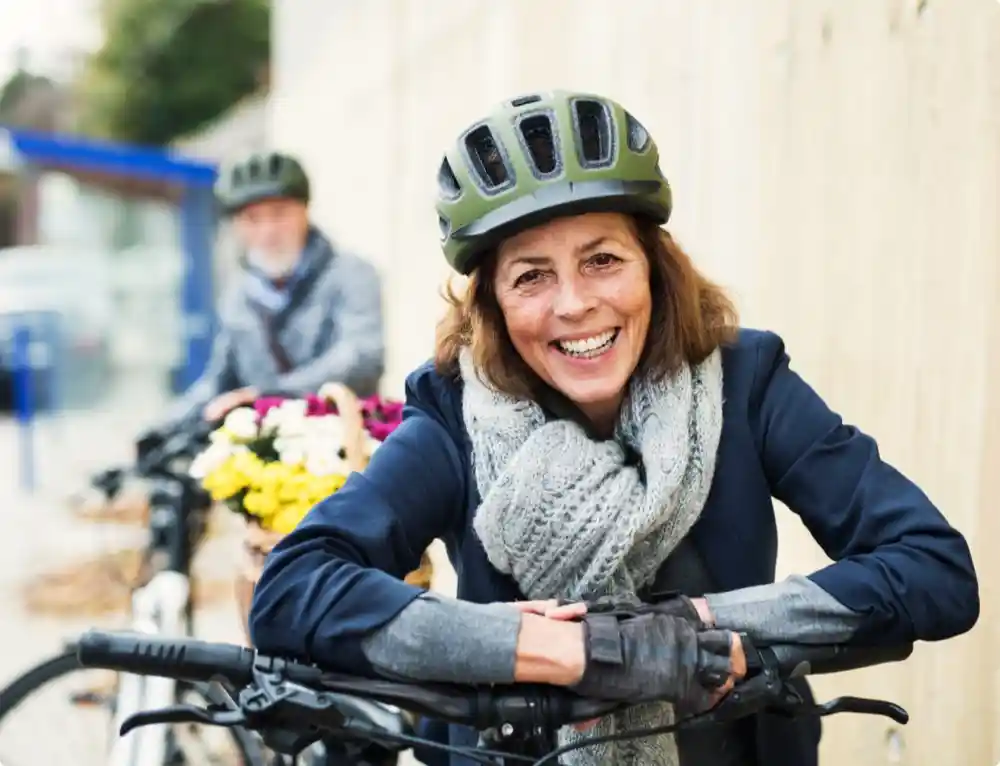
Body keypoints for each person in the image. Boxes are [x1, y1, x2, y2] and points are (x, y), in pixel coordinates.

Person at [248, 91, 979, 766]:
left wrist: (699, 629)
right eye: (531, 276)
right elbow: (295, 588)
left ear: (655, 271)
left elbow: (932, 570)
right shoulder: (451, 416)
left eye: (602, 260)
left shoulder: (747, 382)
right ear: (494, 306)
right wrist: (556, 649)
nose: (574, 305)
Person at [167, 150, 385, 426]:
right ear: (236, 225)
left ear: (305, 211)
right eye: (252, 219)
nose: (267, 230)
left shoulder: (351, 273)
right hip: (261, 451)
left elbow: (361, 358)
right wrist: (159, 429)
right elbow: (218, 382)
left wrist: (270, 396)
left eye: (279, 213)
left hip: (348, 441)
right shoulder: (239, 296)